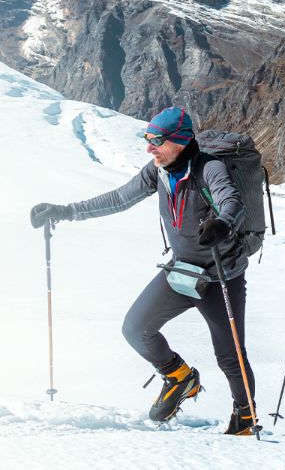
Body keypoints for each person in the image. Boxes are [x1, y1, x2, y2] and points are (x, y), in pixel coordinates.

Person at [29, 107, 257, 435]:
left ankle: (245, 417)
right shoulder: (158, 171)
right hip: (181, 271)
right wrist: (66, 212)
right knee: (136, 329)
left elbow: (231, 201)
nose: (149, 148)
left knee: (230, 356)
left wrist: (222, 223)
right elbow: (120, 198)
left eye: (156, 141)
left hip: (220, 276)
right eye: (147, 139)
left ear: (179, 141)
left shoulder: (210, 168)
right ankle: (179, 377)